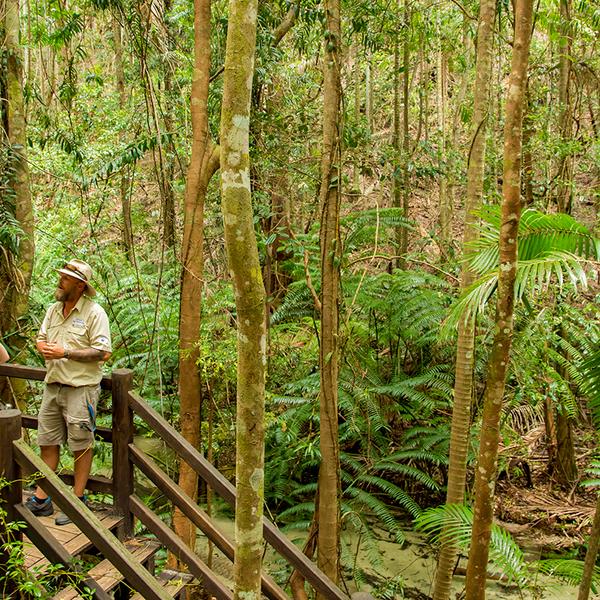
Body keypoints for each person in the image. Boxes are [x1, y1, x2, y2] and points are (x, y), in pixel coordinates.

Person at [24, 259, 112, 525]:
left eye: (65, 278)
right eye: (61, 276)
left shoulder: (94, 313)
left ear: (80, 285)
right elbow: (40, 338)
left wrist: (66, 353)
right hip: (53, 386)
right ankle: (42, 499)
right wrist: (42, 347)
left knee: (81, 446)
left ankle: (77, 501)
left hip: (80, 390)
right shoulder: (53, 310)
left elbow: (103, 352)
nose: (60, 281)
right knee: (47, 442)